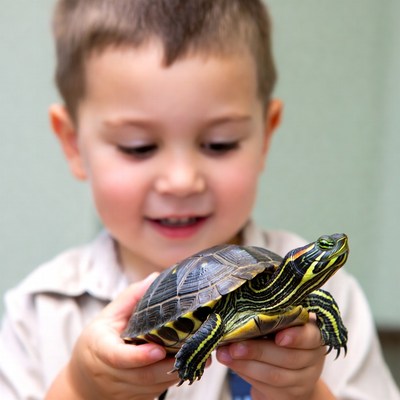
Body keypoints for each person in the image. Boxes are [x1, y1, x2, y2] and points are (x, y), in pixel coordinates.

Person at [0, 1, 399, 399]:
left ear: (266, 135)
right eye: (138, 147)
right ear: (72, 144)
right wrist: (81, 387)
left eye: (219, 143)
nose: (181, 181)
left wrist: (308, 394)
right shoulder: (39, 312)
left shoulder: (336, 300)